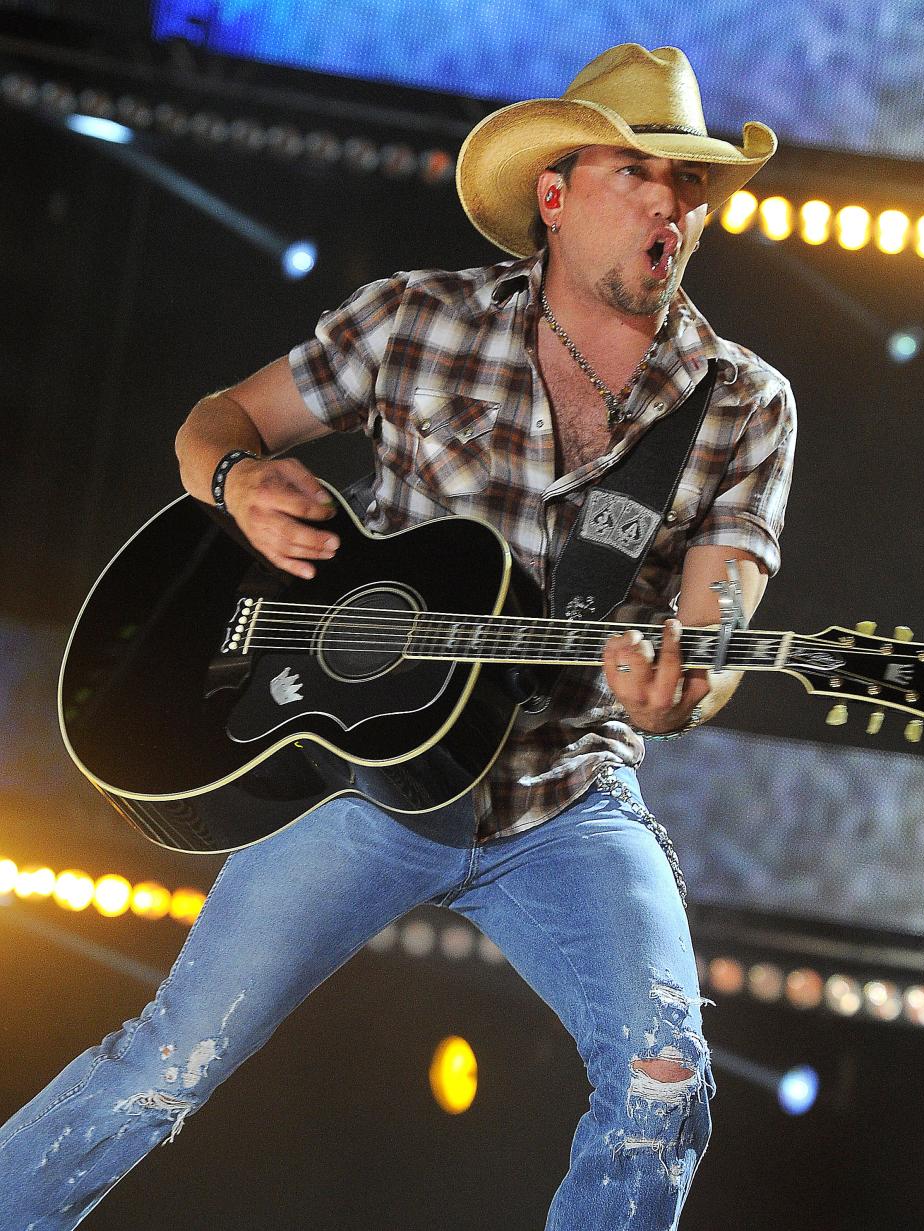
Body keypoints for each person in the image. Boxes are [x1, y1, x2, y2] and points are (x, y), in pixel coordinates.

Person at [0, 43, 794, 1229]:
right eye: (642, 172)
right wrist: (235, 483)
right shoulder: (412, 319)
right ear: (558, 192)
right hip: (362, 780)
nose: (675, 203)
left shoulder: (741, 400)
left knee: (663, 1083)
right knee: (165, 1063)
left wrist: (687, 689)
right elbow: (215, 424)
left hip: (563, 797)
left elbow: (719, 612)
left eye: (692, 184)